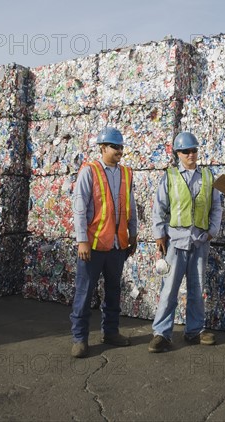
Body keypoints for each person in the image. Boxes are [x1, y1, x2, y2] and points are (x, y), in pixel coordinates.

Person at [148, 132, 222, 353]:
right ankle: (161, 333)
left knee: (197, 288)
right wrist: (159, 234)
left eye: (194, 150)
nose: (191, 155)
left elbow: (216, 207)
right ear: (178, 154)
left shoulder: (208, 176)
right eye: (186, 151)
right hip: (176, 241)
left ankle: (195, 330)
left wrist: (212, 231)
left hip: (199, 241)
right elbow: (159, 207)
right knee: (169, 289)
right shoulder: (170, 177)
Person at [70, 126, 138, 358]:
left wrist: (133, 234)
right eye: (115, 147)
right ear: (103, 148)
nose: (119, 150)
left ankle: (110, 331)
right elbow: (79, 207)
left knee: (113, 291)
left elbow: (132, 207)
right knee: (85, 292)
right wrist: (82, 240)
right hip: (94, 245)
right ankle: (80, 338)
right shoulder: (90, 171)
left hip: (118, 245)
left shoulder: (126, 173)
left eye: (121, 147)